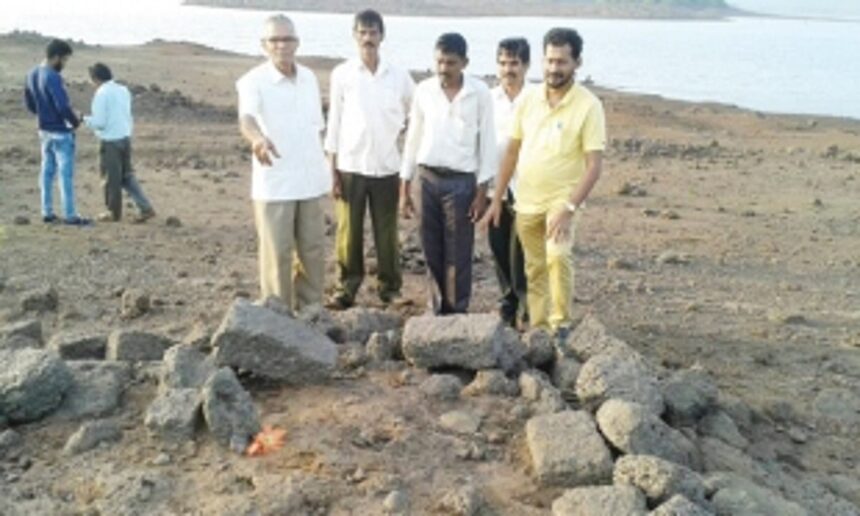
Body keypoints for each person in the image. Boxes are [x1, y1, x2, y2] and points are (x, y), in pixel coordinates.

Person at [480, 28, 606, 335]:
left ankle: (560, 325)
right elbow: (512, 152)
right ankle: (539, 329)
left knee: (558, 257)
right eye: (549, 61)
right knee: (534, 267)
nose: (554, 68)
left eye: (562, 62)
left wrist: (569, 207)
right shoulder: (530, 99)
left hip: (562, 200)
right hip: (526, 200)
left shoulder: (589, 105)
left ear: (577, 63)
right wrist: (496, 199)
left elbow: (594, 166)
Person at [236, 15, 330, 311]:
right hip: (275, 182)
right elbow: (247, 119)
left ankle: (312, 311)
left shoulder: (309, 78)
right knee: (277, 254)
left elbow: (316, 127)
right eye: (274, 40)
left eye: (287, 39)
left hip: (310, 179)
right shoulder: (252, 81)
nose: (281, 45)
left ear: (297, 43)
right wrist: (257, 140)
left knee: (313, 250)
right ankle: (278, 316)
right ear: (264, 45)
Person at [400, 33, 497, 315]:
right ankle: (436, 307)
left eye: (451, 63)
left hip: (462, 183)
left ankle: (457, 311)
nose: (443, 68)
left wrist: (482, 193)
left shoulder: (479, 93)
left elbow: (487, 144)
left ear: (464, 63)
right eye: (439, 62)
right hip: (426, 179)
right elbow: (412, 139)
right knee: (430, 248)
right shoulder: (424, 90)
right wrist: (404, 187)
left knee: (459, 252)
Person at [324, 9, 414, 309]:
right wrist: (332, 170)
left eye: (373, 32)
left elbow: (416, 113)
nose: (368, 38)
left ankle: (390, 289)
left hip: (387, 166)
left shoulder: (399, 76)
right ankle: (345, 289)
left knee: (387, 233)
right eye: (362, 32)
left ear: (382, 36)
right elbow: (334, 123)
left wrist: (406, 137)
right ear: (354, 36)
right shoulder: (343, 74)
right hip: (350, 165)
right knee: (348, 232)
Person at [488, 37, 531, 327]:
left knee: (523, 249)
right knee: (499, 246)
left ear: (526, 65)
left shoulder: (537, 99)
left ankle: (526, 305)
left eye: (514, 63)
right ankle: (507, 303)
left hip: (527, 185)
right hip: (495, 185)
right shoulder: (488, 99)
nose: (508, 69)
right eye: (503, 63)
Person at [24, 39, 90, 225]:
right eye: (64, 60)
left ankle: (47, 211)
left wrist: (42, 115)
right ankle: (70, 214)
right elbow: (63, 106)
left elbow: (29, 103)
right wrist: (75, 121)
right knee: (65, 174)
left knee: (46, 171)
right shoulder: (53, 76)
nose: (64, 64)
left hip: (44, 129)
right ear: (56, 57)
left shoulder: (32, 73)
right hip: (60, 131)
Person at [82, 63, 156, 223]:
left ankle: (113, 212)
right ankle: (145, 207)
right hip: (125, 137)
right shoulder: (123, 90)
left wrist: (84, 119)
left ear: (95, 78)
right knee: (127, 176)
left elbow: (100, 122)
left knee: (111, 179)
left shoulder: (102, 93)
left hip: (110, 141)